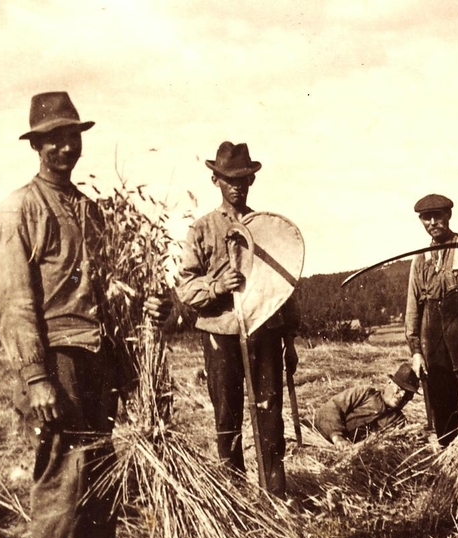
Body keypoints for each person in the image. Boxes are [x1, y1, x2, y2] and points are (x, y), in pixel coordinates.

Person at [0, 92, 120, 538]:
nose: (66, 147)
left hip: (97, 357)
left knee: (99, 471)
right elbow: (14, 300)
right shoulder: (19, 207)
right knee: (60, 473)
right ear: (37, 145)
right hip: (57, 358)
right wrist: (37, 376)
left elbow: (112, 292)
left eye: (73, 136)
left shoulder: (91, 211)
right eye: (54, 139)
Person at [176, 141, 298, 498]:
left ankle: (274, 497)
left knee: (269, 416)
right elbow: (186, 286)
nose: (237, 185)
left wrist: (289, 340)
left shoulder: (267, 228)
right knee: (226, 419)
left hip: (265, 333)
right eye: (230, 178)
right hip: (221, 334)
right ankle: (235, 500)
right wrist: (216, 286)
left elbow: (286, 285)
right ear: (215, 179)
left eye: (244, 178)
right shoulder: (202, 230)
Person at [405, 194, 458, 448]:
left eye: (438, 216)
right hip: (432, 333)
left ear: (448, 216)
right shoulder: (420, 259)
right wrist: (416, 351)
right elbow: (413, 306)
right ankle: (447, 451)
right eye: (426, 218)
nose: (433, 222)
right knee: (440, 394)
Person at [313, 364, 419, 447]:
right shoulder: (365, 393)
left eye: (408, 394)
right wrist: (337, 437)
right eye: (400, 389)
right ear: (389, 383)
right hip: (321, 438)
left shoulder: (399, 422)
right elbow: (332, 407)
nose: (402, 395)